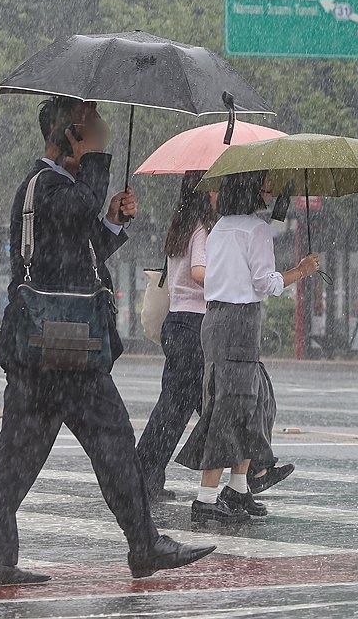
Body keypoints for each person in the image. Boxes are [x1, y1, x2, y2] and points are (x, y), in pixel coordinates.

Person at [0, 97, 215, 586]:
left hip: (53, 348)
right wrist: (97, 162)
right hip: (61, 352)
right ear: (69, 135)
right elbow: (73, 220)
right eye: (92, 126)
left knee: (20, 454)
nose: (102, 132)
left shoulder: (58, 190)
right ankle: (143, 544)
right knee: (110, 441)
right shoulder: (47, 186)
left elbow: (81, 250)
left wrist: (112, 222)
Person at [175, 170, 320, 523]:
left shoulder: (221, 226)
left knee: (253, 402)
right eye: (266, 184)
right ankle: (206, 499)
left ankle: (239, 487)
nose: (270, 191)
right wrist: (300, 271)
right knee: (231, 407)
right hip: (238, 322)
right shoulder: (256, 230)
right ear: (251, 190)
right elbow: (264, 282)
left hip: (217, 321)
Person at [135, 171, 216, 500]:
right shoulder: (201, 227)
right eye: (214, 185)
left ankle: (144, 476)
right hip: (194, 323)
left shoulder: (180, 223)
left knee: (180, 407)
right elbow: (199, 273)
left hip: (177, 322)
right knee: (198, 406)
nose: (218, 192)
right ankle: (253, 464)